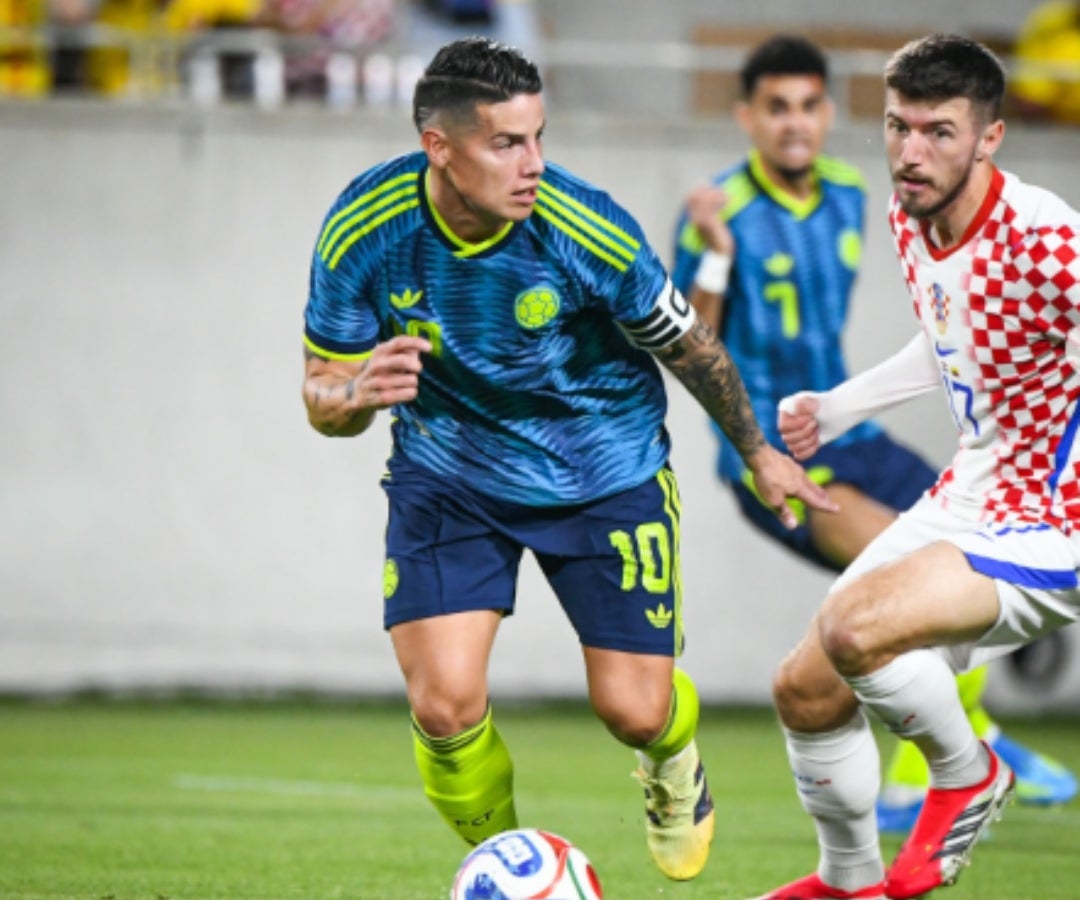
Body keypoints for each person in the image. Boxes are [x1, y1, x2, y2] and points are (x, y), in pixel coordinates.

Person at [299, 36, 833, 883]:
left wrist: (759, 452)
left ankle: (672, 762)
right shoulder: (366, 227)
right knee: (442, 706)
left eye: (539, 136)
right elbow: (321, 392)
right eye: (507, 143)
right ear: (439, 147)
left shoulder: (586, 229)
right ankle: (511, 869)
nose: (534, 163)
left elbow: (690, 348)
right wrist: (357, 393)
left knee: (633, 708)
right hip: (450, 475)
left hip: (604, 473)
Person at [671, 33, 1076, 839]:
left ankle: (947, 771)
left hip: (933, 470)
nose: (912, 151)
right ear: (747, 118)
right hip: (782, 457)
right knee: (851, 641)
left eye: (810, 105)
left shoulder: (878, 198)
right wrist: (717, 265)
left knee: (896, 610)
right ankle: (922, 796)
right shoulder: (734, 208)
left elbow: (966, 327)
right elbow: (692, 340)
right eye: (899, 127)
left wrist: (841, 410)